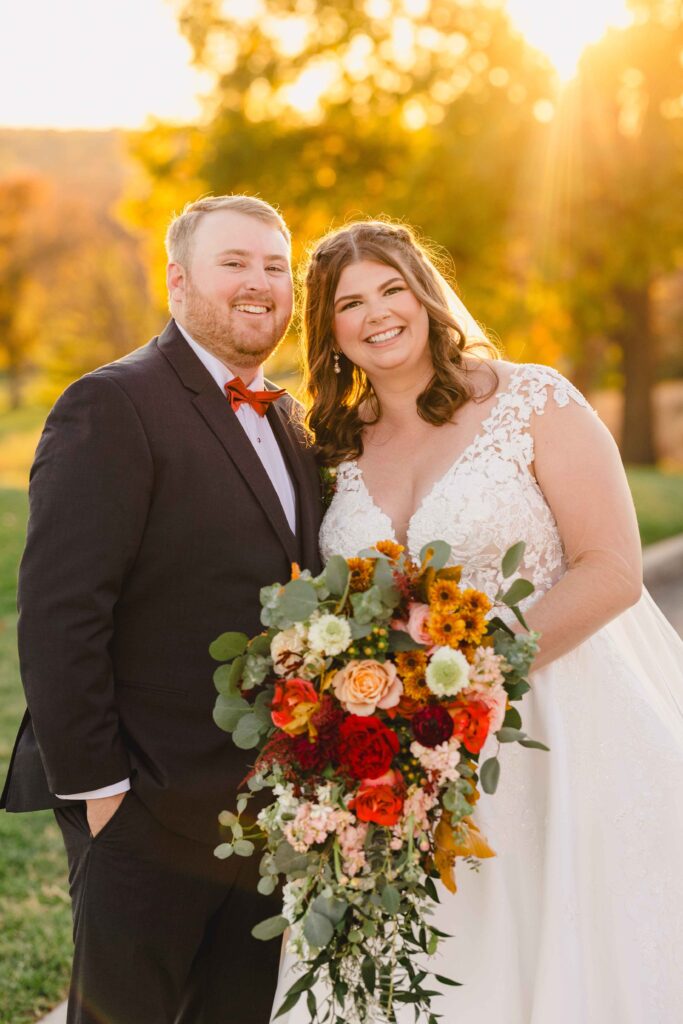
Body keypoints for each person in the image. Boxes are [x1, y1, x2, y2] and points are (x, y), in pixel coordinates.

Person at [272, 220, 683, 1023]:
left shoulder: (531, 399)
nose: (376, 313)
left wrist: (478, 679)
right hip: (400, 749)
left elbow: (611, 569)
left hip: (555, 728)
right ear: (329, 332)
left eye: (391, 287)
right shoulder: (330, 447)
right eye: (349, 303)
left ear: (424, 294)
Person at [1, 195, 323, 1024]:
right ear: (179, 282)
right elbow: (60, 613)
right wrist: (103, 797)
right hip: (141, 810)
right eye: (234, 264)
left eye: (274, 267)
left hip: (262, 813)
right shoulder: (113, 404)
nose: (259, 284)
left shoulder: (290, 418)